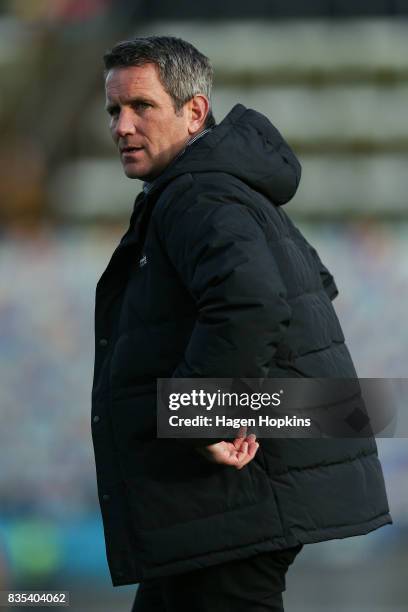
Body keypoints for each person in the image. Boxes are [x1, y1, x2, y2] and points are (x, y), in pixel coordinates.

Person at [91, 36, 392, 611]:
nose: (121, 126)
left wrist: (204, 416)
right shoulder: (210, 188)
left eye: (141, 107)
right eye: (113, 110)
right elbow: (307, 291)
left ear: (195, 111)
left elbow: (254, 302)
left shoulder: (198, 194)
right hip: (222, 505)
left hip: (234, 499)